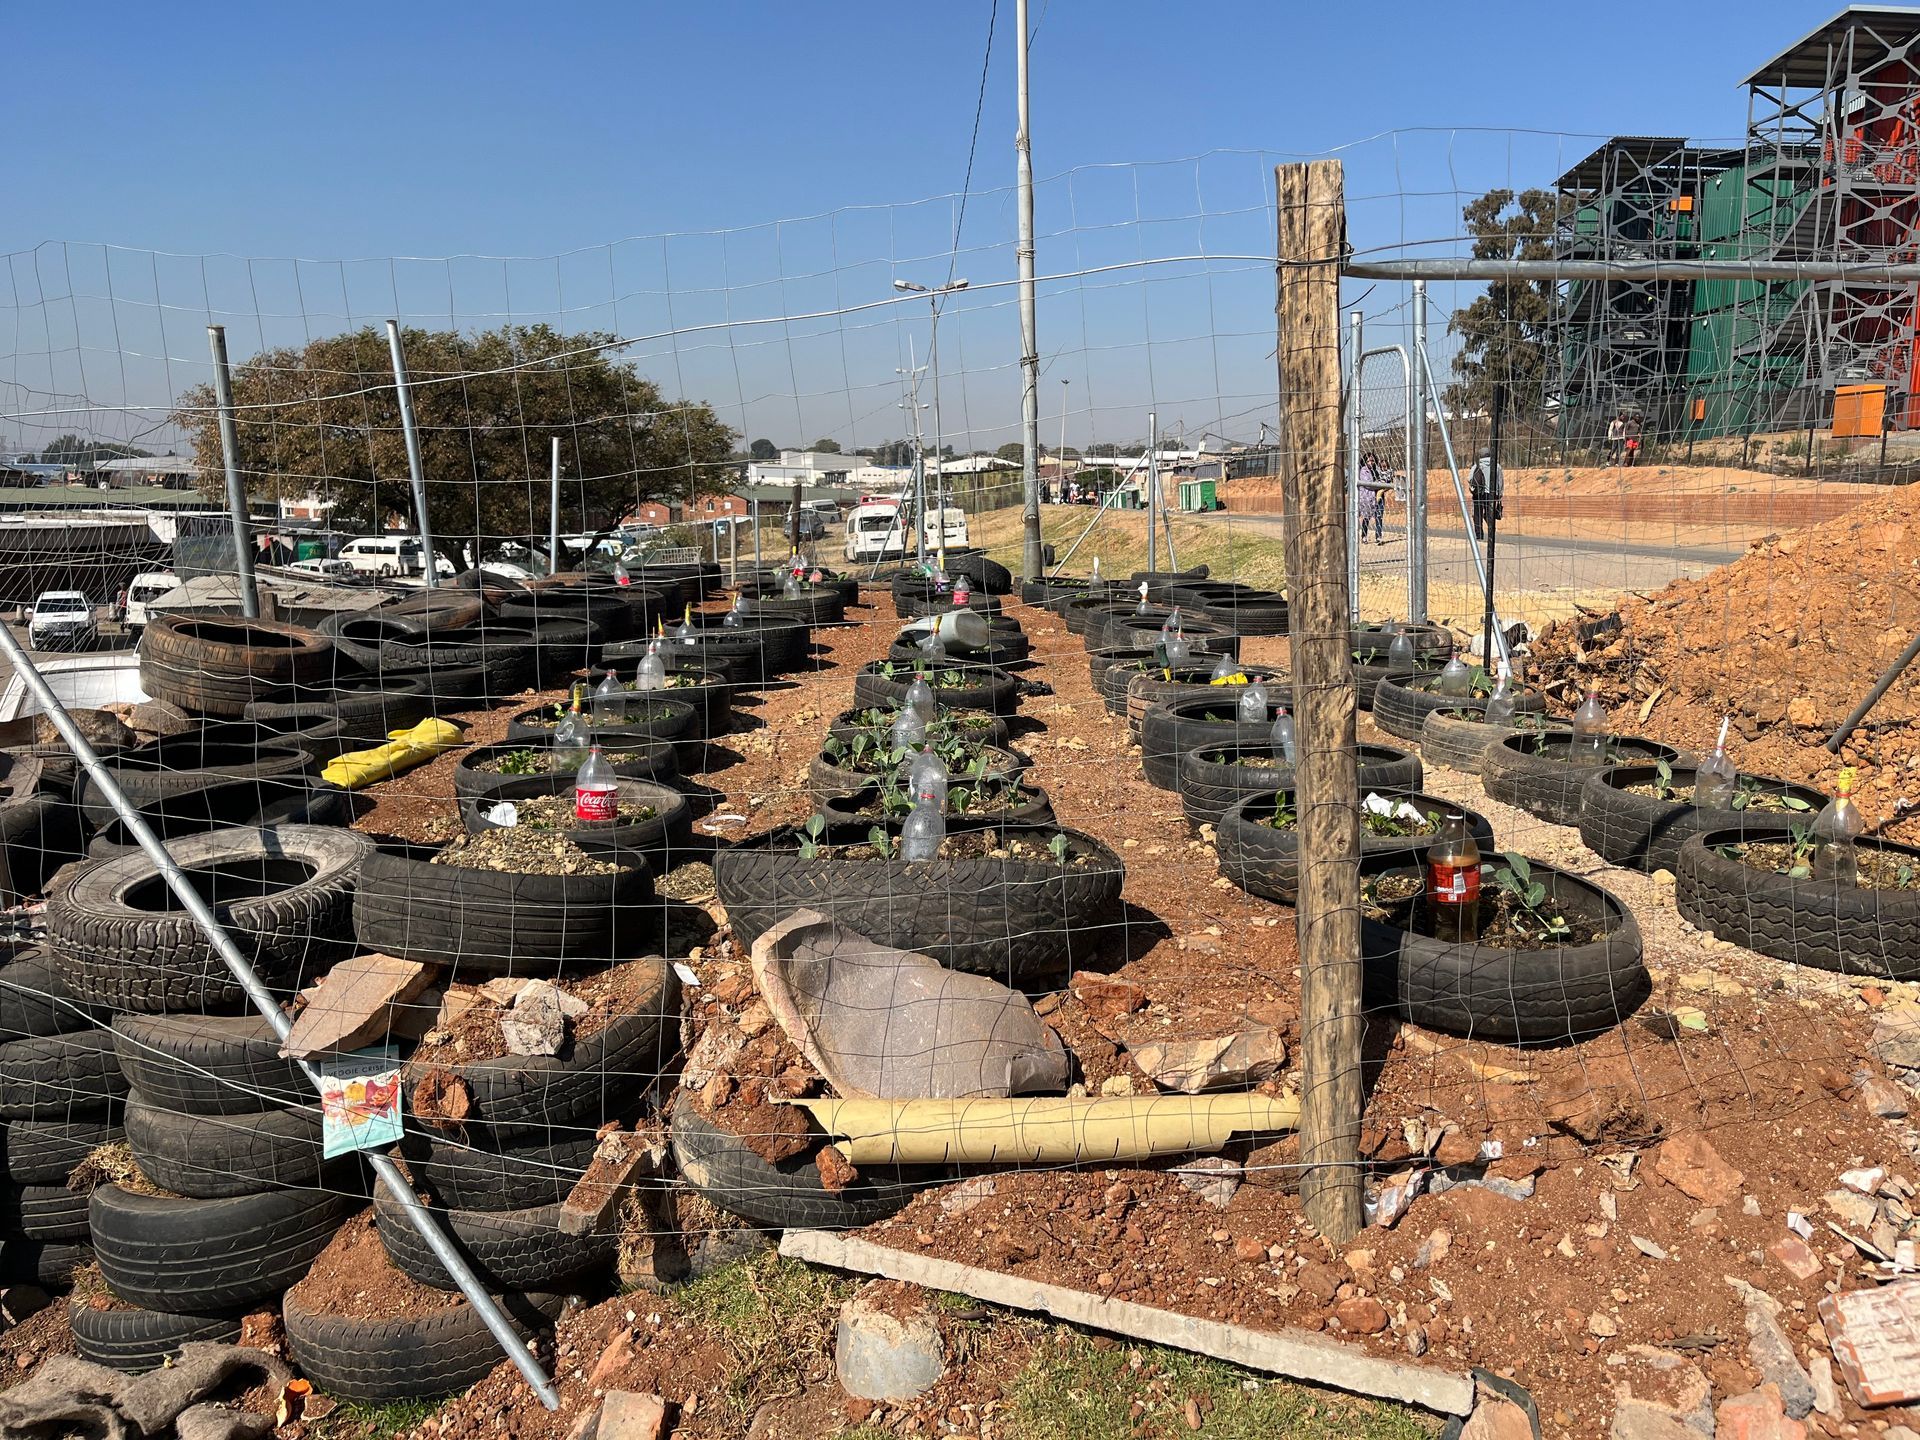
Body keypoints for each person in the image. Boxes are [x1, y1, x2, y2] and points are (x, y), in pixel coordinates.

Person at [1357, 450, 1392, 544]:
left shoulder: (1377, 470)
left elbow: (1387, 480)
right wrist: (1380, 484)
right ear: (1364, 461)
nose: (1370, 463)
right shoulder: (1363, 471)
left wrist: (1385, 486)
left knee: (1379, 517)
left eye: (1372, 461)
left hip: (1379, 497)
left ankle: (1379, 537)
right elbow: (1368, 485)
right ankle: (1364, 536)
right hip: (1368, 497)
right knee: (1366, 517)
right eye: (1368, 461)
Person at [1469, 448, 1504, 541]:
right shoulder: (1497, 466)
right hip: (1491, 494)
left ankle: (1479, 535)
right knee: (1490, 514)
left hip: (1478, 494)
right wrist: (1499, 493)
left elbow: (1470, 479)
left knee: (1477, 515)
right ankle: (1491, 534)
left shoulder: (1476, 466)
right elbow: (1500, 481)